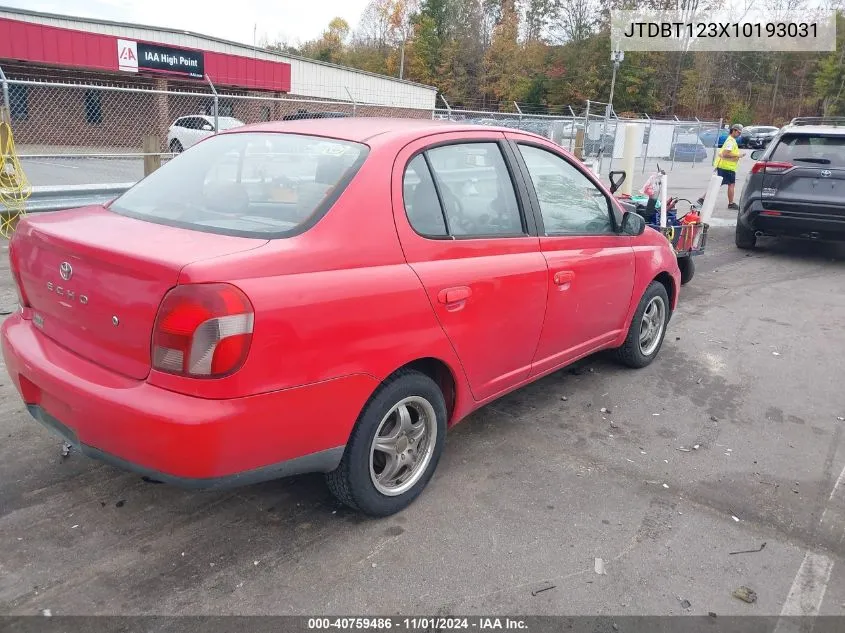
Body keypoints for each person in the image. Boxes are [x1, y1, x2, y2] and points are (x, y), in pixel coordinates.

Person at [697, 123, 745, 210]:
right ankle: (731, 203)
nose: (739, 134)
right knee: (731, 184)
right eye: (738, 132)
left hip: (724, 166)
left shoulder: (730, 140)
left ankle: (702, 199)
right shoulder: (730, 141)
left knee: (717, 184)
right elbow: (725, 154)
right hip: (727, 167)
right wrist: (738, 155)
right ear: (733, 130)